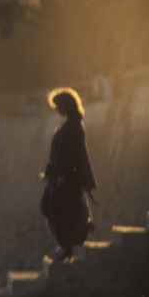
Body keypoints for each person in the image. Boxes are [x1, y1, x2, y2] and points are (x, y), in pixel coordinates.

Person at [39, 87, 98, 262]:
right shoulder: (69, 125)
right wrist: (50, 173)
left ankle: (67, 246)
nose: (57, 109)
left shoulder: (75, 125)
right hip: (60, 176)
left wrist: (62, 175)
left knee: (57, 208)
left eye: (58, 105)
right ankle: (65, 244)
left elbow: (72, 154)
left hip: (69, 179)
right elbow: (57, 153)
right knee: (49, 205)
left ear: (66, 105)